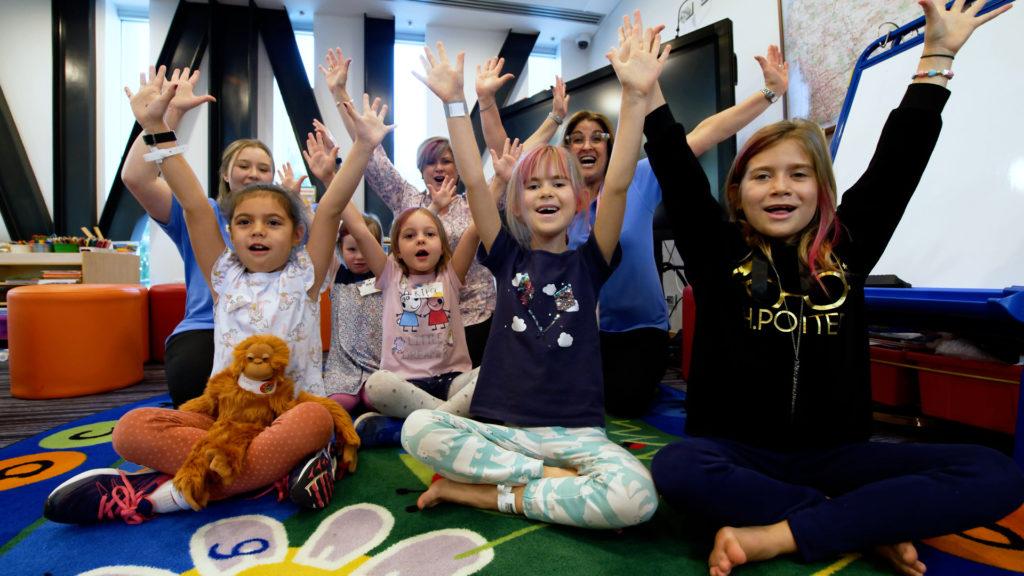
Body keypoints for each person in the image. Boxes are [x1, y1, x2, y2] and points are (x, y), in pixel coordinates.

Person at [645, 2, 1023, 574]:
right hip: (737, 455)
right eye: (763, 175)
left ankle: (784, 531)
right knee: (675, 467)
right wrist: (646, 93)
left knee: (995, 472)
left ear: (822, 190)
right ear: (737, 190)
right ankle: (860, 522)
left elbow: (900, 161)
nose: (781, 188)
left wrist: (937, 56)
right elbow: (674, 165)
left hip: (839, 455)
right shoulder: (718, 250)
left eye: (799, 174)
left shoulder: (847, 246)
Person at [42, 71, 393, 523]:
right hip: (227, 419)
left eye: (273, 222)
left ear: (296, 235)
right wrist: (156, 127)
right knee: (130, 430)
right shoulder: (224, 275)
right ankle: (282, 471)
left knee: (316, 421)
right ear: (230, 233)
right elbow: (191, 203)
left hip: (290, 415)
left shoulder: (306, 275)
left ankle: (160, 497)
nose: (258, 231)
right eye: (244, 223)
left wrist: (362, 147)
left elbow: (330, 207)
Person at [400, 13, 663, 529]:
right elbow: (476, 185)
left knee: (638, 496)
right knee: (419, 428)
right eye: (534, 185)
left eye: (559, 184)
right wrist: (456, 103)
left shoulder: (591, 262)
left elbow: (618, 185)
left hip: (578, 435)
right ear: (516, 204)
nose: (547, 193)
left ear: (579, 197)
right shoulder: (506, 255)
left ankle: (485, 494)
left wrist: (634, 99)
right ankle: (549, 478)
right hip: (502, 429)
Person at [477, 41, 791, 418]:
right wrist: (494, 105)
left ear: (611, 146)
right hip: (576, 331)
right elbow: (504, 157)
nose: (587, 144)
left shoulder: (639, 178)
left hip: (638, 329)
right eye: (576, 139)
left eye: (597, 137)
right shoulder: (551, 203)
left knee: (621, 405)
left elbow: (704, 135)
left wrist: (769, 94)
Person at [119, 67, 306, 409]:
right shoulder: (202, 213)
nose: (254, 174)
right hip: (205, 328)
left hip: (271, 328)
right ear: (224, 174)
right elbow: (137, 178)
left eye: (264, 168)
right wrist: (164, 116)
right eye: (244, 165)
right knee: (199, 395)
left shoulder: (283, 230)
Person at [320, 49, 501, 367]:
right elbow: (371, 154)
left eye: (446, 160)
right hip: (419, 321)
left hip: (475, 313)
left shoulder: (474, 200)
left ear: (458, 167)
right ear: (421, 170)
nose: (439, 167)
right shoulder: (407, 199)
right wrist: (339, 93)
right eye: (430, 162)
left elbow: (500, 182)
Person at [343, 139, 520, 445]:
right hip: (404, 383)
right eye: (410, 236)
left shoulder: (451, 274)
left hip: (452, 381)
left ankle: (412, 426)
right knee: (376, 386)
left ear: (443, 245)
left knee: (498, 368)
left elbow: (477, 225)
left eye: (429, 234)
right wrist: (328, 178)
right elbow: (358, 229)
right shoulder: (389, 274)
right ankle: (457, 423)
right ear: (397, 247)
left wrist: (501, 180)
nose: (421, 241)